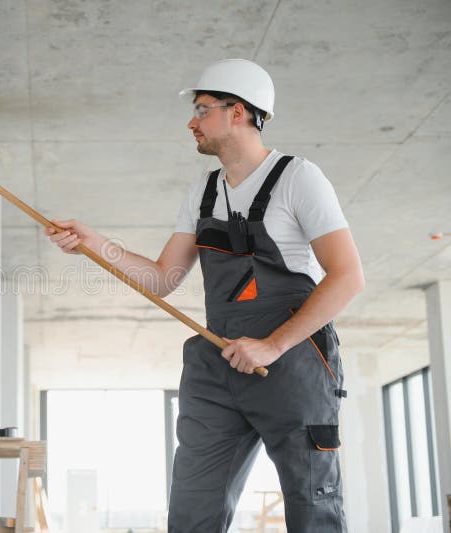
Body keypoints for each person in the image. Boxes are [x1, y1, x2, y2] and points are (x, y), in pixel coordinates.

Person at [45, 58, 364, 532]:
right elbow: (162, 277)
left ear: (237, 112)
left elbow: (348, 276)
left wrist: (273, 344)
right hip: (219, 363)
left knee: (312, 507)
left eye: (202, 109)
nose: (191, 121)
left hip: (292, 365)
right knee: (193, 510)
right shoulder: (204, 191)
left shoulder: (299, 178)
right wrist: (95, 244)